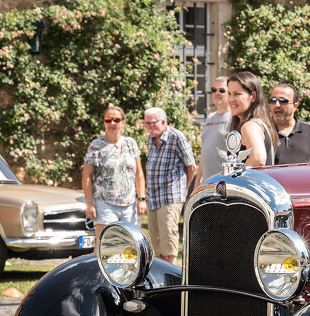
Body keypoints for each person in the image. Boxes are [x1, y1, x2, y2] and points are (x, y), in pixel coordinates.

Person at [82, 105, 146, 240]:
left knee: (129, 245)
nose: (112, 123)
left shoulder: (130, 143)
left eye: (116, 120)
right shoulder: (96, 146)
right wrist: (89, 204)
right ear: (104, 122)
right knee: (105, 245)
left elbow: (138, 173)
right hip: (105, 203)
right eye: (108, 120)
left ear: (123, 122)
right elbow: (86, 176)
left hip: (129, 205)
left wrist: (141, 199)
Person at [142, 107, 196, 265]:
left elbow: (191, 166)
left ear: (163, 122)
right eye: (146, 124)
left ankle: (170, 276)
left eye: (152, 123)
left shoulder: (176, 137)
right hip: (153, 196)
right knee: (156, 240)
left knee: (168, 240)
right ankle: (160, 277)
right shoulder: (151, 138)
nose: (149, 127)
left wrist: (184, 189)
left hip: (171, 195)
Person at [226, 71, 275, 166]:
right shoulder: (258, 123)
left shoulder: (250, 126)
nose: (231, 99)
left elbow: (258, 159)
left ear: (253, 96)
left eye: (237, 94)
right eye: (229, 93)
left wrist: (235, 177)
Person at [270, 83, 310, 164]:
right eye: (273, 100)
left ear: (295, 106)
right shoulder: (262, 131)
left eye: (283, 101)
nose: (277, 105)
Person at [199, 76, 231, 181]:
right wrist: (197, 182)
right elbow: (204, 153)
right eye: (214, 90)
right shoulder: (210, 118)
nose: (217, 93)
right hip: (207, 182)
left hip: (224, 182)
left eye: (221, 90)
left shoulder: (233, 118)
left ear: (229, 93)